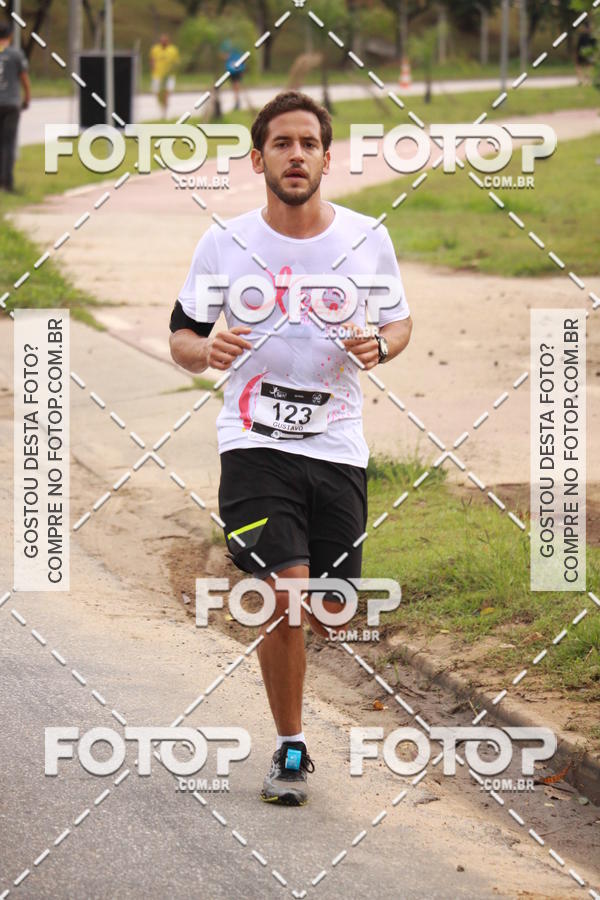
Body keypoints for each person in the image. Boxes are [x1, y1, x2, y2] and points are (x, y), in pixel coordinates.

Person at [169, 91, 412, 806]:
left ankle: (296, 682)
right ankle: (291, 745)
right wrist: (205, 348)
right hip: (252, 440)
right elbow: (182, 337)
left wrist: (380, 345)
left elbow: (399, 322)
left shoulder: (367, 238)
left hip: (337, 443)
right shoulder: (224, 243)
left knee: (330, 607)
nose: (296, 154)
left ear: (328, 159)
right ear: (259, 158)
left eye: (308, 143)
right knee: (287, 596)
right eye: (282, 143)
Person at [0, 19, 30, 193]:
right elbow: (24, 79)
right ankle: (7, 183)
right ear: (10, 36)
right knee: (8, 143)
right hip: (11, 104)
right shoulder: (16, 54)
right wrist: (27, 99)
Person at [149, 33, 180, 118]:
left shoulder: (173, 50)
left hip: (168, 75)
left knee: (166, 92)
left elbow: (176, 62)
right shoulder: (155, 49)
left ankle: (164, 110)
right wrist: (152, 66)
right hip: (157, 75)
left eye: (165, 41)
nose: (163, 42)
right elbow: (152, 60)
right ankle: (162, 105)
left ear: (168, 41)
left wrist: (173, 70)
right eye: (162, 41)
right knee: (157, 93)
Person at [220, 39, 245, 111]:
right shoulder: (227, 44)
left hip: (236, 70)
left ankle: (237, 102)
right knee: (235, 87)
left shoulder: (238, 44)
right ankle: (237, 101)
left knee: (236, 86)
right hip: (232, 70)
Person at [575, 20, 597, 86]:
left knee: (578, 66)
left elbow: (578, 46)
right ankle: (587, 80)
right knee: (589, 66)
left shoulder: (582, 36)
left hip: (581, 53)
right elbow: (594, 46)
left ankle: (580, 80)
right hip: (589, 53)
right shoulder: (592, 36)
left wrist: (577, 54)